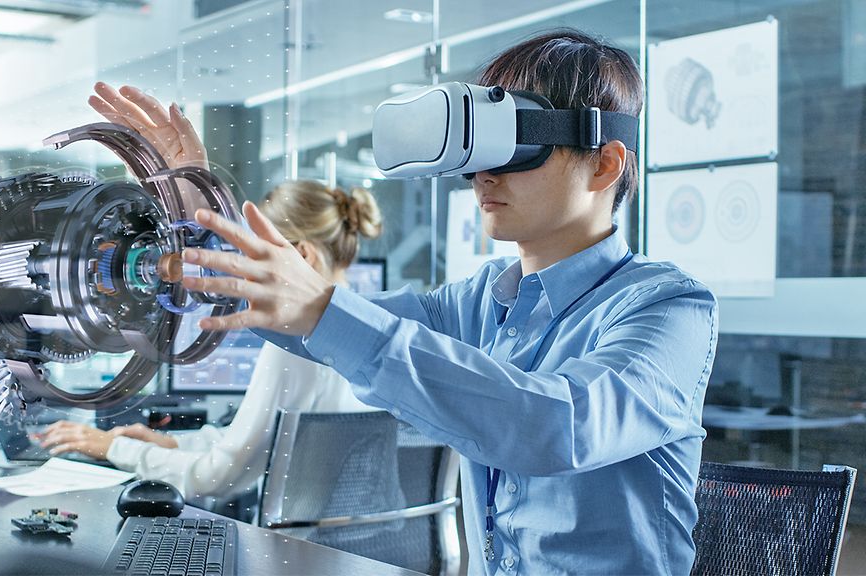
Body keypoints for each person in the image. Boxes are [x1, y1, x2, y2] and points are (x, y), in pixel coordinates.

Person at [149, 30, 719, 575]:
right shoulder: (479, 303)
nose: (482, 175)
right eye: (478, 149)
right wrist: (204, 223)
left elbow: (556, 426)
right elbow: (306, 323)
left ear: (604, 164)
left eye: (516, 145)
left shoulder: (669, 307)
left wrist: (325, 309)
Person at [39, 174, 384, 501]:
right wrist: (168, 444)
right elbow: (254, 444)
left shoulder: (299, 342)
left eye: (260, 257)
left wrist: (111, 448)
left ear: (302, 255)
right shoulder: (372, 327)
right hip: (366, 554)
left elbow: (221, 476)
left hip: (303, 558)